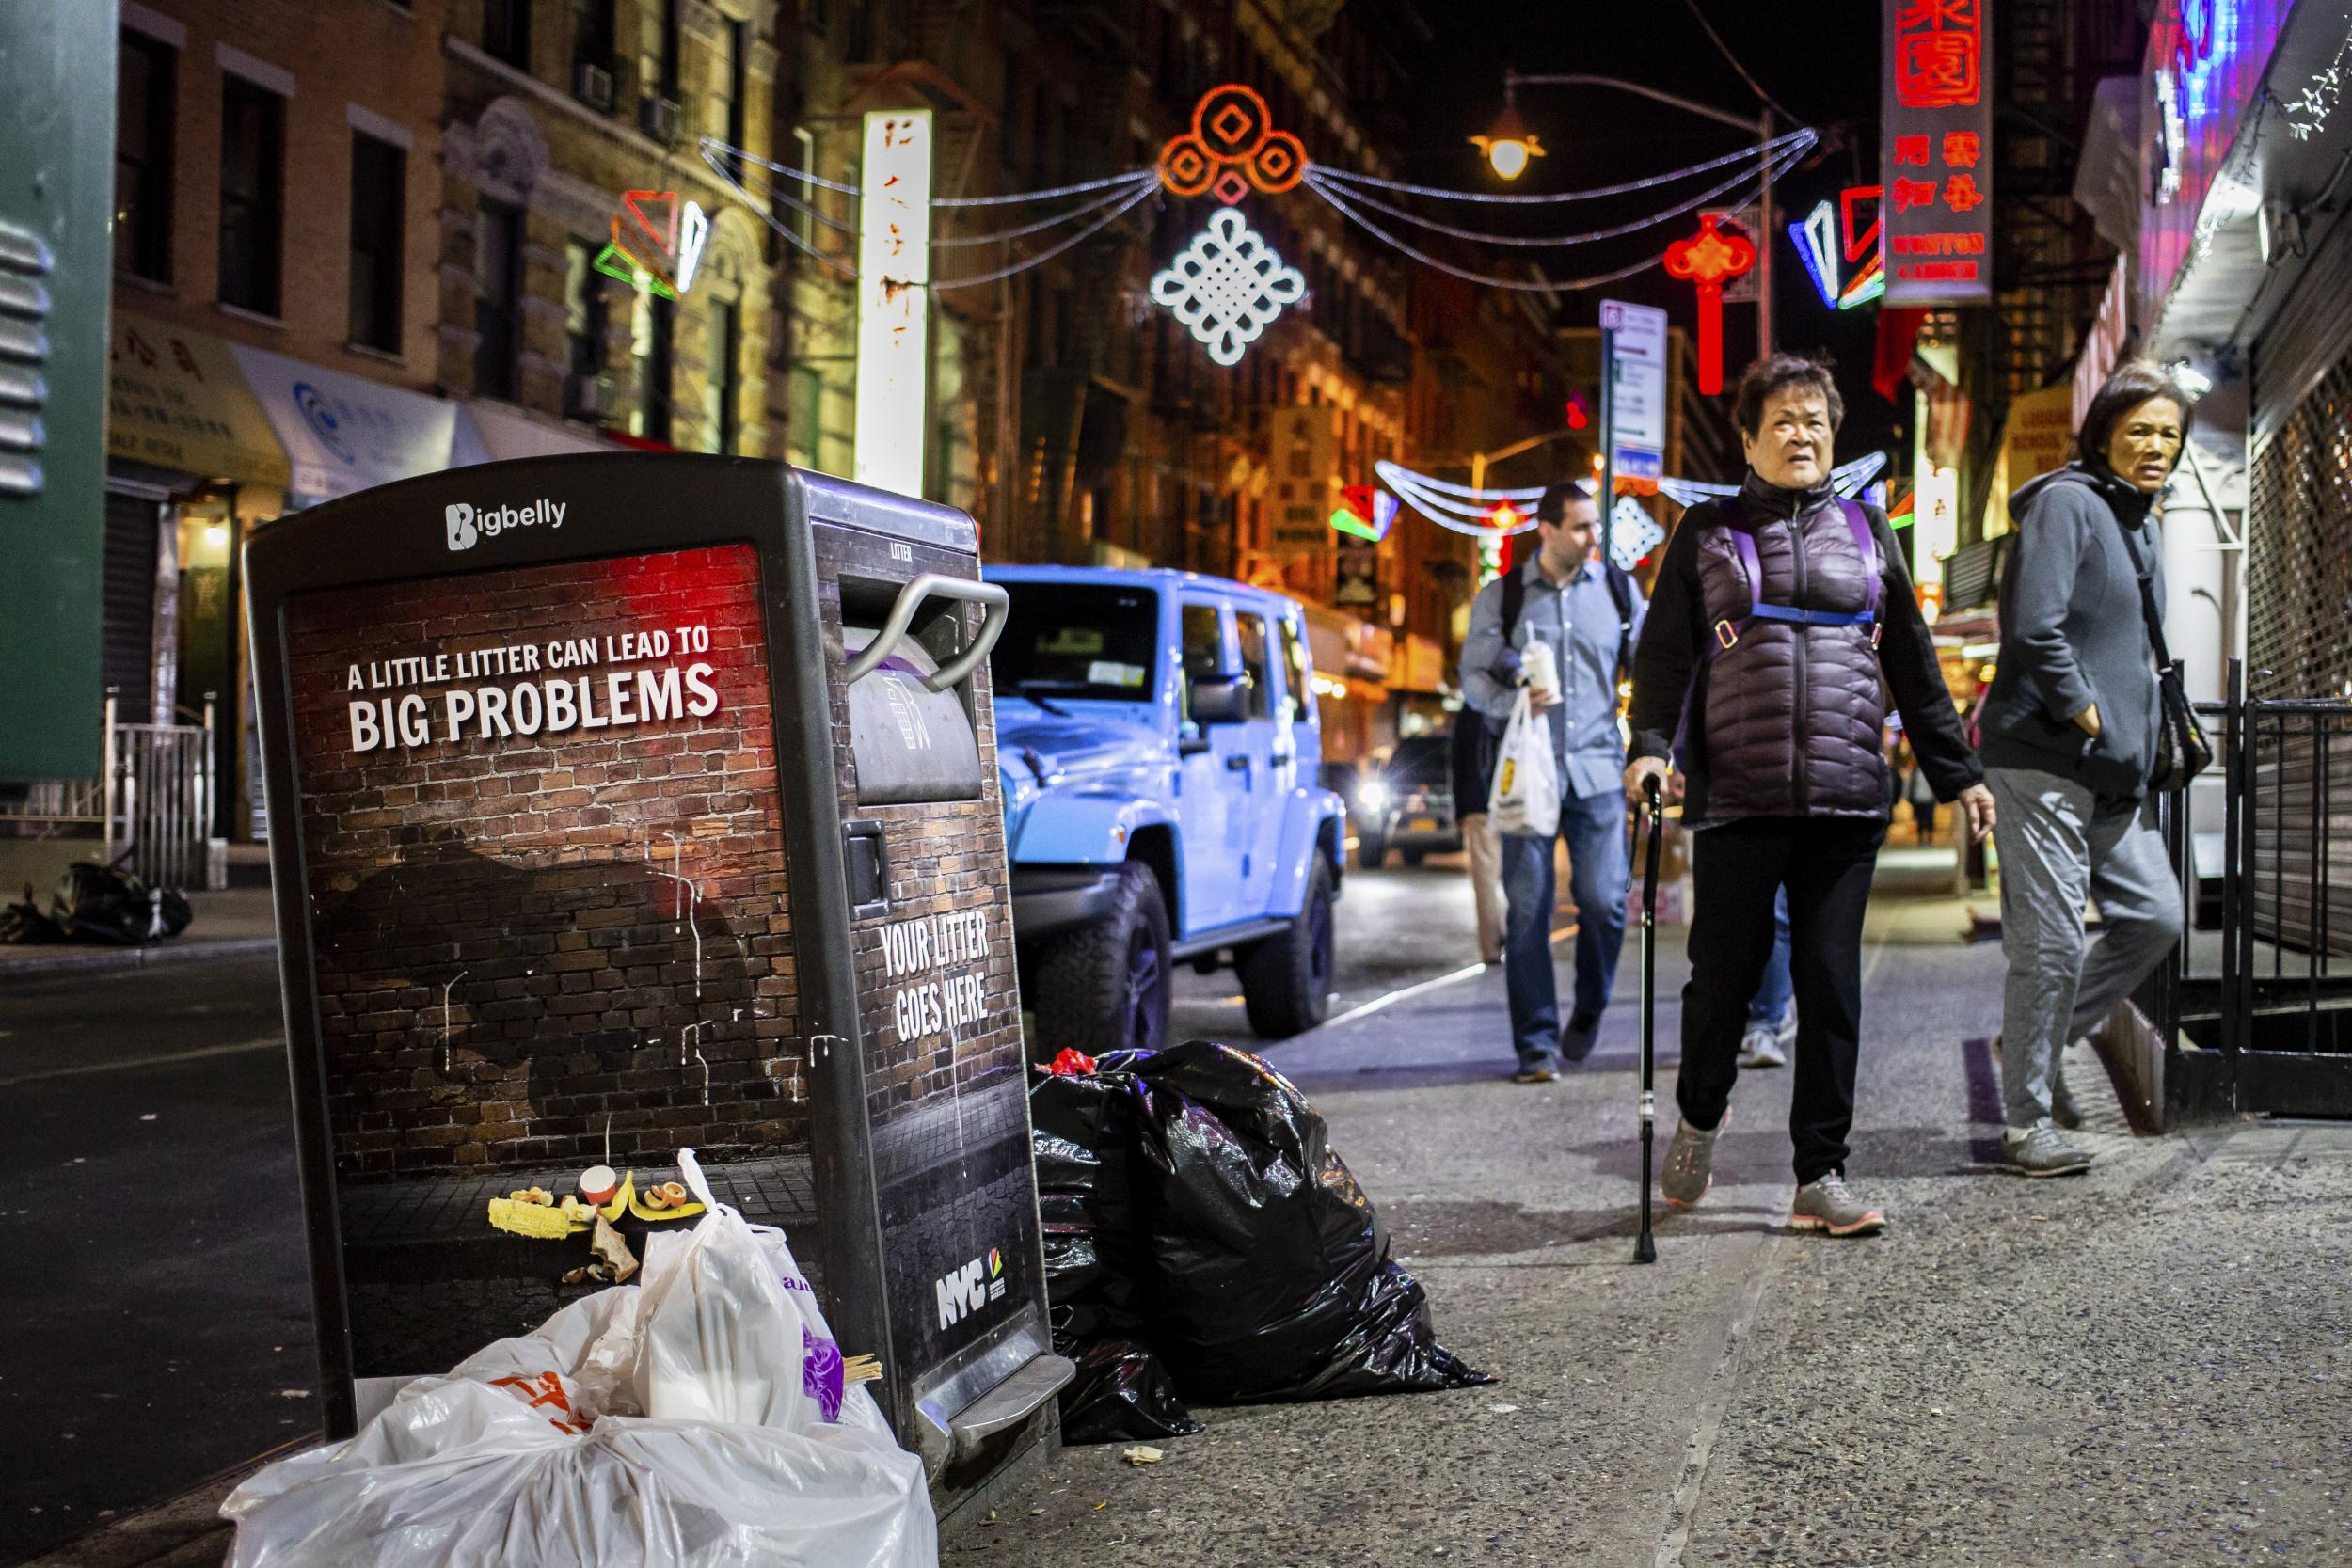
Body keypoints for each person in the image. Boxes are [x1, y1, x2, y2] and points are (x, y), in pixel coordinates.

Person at [1625, 353, 1996, 1237]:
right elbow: (1666, 657)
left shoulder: (1872, 533)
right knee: (1721, 981)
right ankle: (1700, 1116)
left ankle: (1819, 1172)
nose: (1803, 434)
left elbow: (1913, 664)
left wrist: (1960, 775)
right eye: (1784, 421)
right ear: (1748, 437)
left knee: (1832, 984)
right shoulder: (1706, 531)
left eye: (1818, 422)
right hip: (1738, 798)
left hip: (1844, 798)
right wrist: (1648, 749)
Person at [1979, 361, 2191, 1179]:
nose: (2156, 445)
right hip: (2044, 759)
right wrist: (2084, 707)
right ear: (2103, 432)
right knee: (2054, 940)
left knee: (2155, 916)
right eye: (2139, 429)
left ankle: (2043, 1037)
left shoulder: (2140, 520)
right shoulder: (2067, 503)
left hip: (2112, 777)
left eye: (2169, 432)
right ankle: (2027, 1120)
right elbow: (2035, 624)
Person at [1461, 482, 1645, 1082]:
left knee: (1605, 901)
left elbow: (1650, 667)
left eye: (1596, 526)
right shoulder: (1504, 597)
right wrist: (1512, 700)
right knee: (1528, 909)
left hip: (1596, 769)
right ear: (1547, 530)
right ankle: (1536, 1045)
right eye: (1581, 527)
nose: (1594, 538)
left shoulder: (1618, 592)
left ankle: (1590, 1005)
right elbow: (1473, 678)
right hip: (1528, 774)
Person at [1449, 701, 1508, 966]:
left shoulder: (1471, 708)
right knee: (1521, 876)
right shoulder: (1514, 699)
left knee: (1485, 882)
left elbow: (1459, 761)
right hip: (1513, 800)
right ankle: (1519, 939)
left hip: (1478, 805)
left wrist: (1461, 809)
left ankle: (1491, 949)